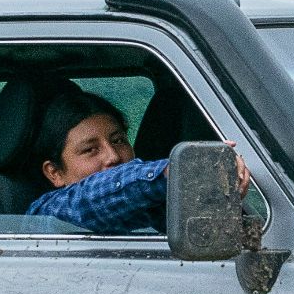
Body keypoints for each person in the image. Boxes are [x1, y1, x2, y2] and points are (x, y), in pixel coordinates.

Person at [26, 89, 248, 235]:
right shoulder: (49, 214)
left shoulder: (154, 207)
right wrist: (177, 170)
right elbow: (97, 195)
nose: (112, 156)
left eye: (119, 140)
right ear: (54, 173)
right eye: (90, 150)